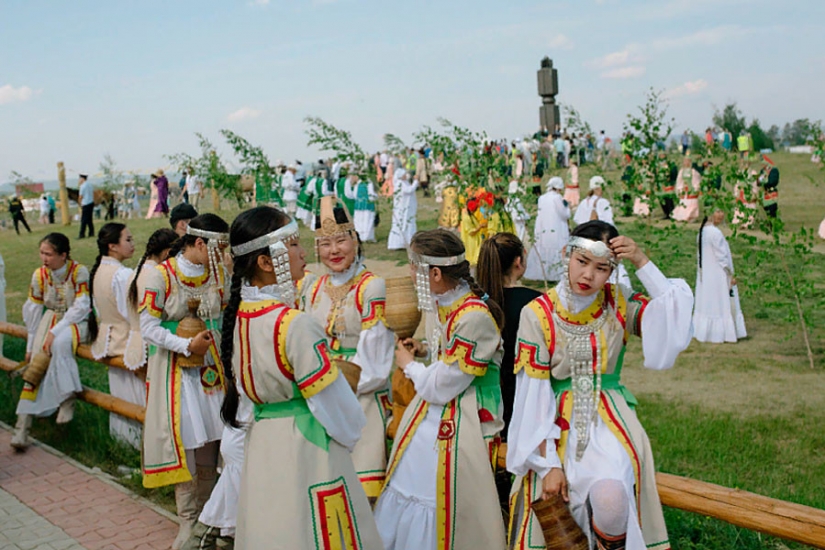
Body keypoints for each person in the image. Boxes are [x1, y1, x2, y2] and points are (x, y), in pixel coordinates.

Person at [507, 220, 694, 550]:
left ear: (612, 271)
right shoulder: (538, 313)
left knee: (613, 500)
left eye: (601, 268)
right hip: (553, 429)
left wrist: (641, 261)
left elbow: (674, 318)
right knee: (559, 512)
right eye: (582, 262)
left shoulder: (618, 302)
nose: (588, 276)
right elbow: (531, 394)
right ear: (567, 254)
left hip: (611, 427)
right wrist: (548, 464)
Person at [213, 206, 381, 549]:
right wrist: (350, 437)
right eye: (292, 245)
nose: (304, 252)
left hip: (263, 444)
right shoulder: (294, 323)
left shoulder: (241, 316)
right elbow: (333, 405)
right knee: (313, 531)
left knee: (273, 527)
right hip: (308, 447)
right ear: (264, 262)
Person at [374, 229, 507, 550]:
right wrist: (422, 350)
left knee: (424, 472)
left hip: (469, 416)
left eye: (412, 265)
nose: (409, 272)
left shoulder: (473, 317)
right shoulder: (448, 301)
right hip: (449, 403)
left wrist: (407, 363)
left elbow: (438, 389)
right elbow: (449, 363)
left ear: (434, 273)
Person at [138, 214, 230, 549]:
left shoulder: (219, 273)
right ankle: (187, 522)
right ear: (200, 243)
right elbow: (147, 327)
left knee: (213, 444)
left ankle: (210, 518)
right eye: (219, 246)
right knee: (187, 444)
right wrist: (185, 345)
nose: (224, 253)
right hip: (176, 372)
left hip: (213, 370)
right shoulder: (160, 276)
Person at [301, 197, 395, 504]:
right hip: (320, 400)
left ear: (354, 239)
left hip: (362, 401)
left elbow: (376, 363)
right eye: (325, 243)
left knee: (362, 499)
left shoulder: (371, 286)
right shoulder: (312, 287)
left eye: (341, 240)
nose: (334, 251)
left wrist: (332, 385)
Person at [11, 233, 91, 450]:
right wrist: (30, 346)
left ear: (63, 255)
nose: (44, 258)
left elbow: (82, 306)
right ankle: (22, 429)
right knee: (35, 369)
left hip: (76, 321)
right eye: (42, 253)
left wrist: (55, 331)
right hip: (49, 321)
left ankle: (67, 400)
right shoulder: (39, 275)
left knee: (61, 344)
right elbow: (33, 312)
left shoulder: (78, 272)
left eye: (49, 254)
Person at [477, 233, 540, 439]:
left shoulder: (476, 303)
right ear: (519, 261)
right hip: (524, 394)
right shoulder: (536, 303)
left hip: (484, 396)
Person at [87, 223, 143, 448]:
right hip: (126, 343)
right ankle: (137, 449)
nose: (132, 244)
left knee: (121, 397)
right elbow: (131, 313)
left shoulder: (100, 270)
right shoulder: (122, 275)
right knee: (134, 399)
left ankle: (125, 446)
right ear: (112, 246)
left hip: (108, 339)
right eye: (127, 240)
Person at [125, 228, 178, 372]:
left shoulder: (134, 273)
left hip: (135, 343)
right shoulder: (159, 276)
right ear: (168, 253)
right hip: (154, 346)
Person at [693, 210, 747, 343]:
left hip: (707, 275)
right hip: (717, 275)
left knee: (710, 301)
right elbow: (722, 257)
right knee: (720, 302)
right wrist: (730, 274)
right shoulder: (714, 233)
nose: (721, 215)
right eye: (718, 211)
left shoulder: (702, 232)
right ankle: (721, 333)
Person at [525, 177, 570, 282]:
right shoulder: (557, 198)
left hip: (544, 227)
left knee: (544, 245)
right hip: (556, 226)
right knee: (556, 245)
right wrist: (567, 207)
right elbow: (564, 214)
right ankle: (555, 274)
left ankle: (542, 273)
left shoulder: (542, 198)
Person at [387, 168, 418, 251]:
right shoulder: (400, 184)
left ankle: (406, 241)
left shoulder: (404, 183)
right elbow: (409, 190)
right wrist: (416, 181)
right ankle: (399, 242)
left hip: (405, 208)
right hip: (403, 209)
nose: (405, 176)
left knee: (406, 223)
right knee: (403, 223)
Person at [345, 173, 378, 242]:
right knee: (368, 220)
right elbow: (372, 195)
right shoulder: (368, 183)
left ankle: (361, 236)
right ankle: (367, 236)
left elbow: (353, 195)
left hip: (359, 206)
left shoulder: (357, 185)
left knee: (359, 221)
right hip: (367, 205)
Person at [672, 157, 701, 222]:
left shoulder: (693, 171)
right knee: (684, 203)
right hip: (684, 189)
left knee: (692, 203)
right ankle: (682, 216)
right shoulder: (681, 171)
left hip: (691, 189)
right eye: (685, 161)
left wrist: (695, 188)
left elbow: (696, 181)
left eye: (688, 161)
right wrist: (680, 189)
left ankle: (691, 217)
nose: (687, 163)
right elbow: (679, 181)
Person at [78, 174, 95, 239]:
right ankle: (91, 232)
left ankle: (82, 234)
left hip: (85, 203)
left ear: (82, 179)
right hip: (91, 203)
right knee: (89, 219)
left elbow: (80, 196)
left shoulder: (82, 186)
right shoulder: (90, 185)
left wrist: (79, 203)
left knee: (84, 220)